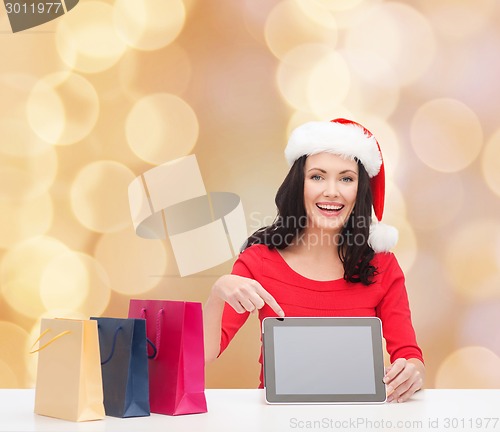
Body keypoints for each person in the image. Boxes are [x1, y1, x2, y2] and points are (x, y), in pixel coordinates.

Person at [203, 118, 425, 403]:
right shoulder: (258, 260)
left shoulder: (382, 266)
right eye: (317, 176)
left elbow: (410, 356)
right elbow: (205, 354)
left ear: (360, 191)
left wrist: (411, 374)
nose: (331, 191)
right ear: (299, 184)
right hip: (277, 422)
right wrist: (217, 293)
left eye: (346, 178)